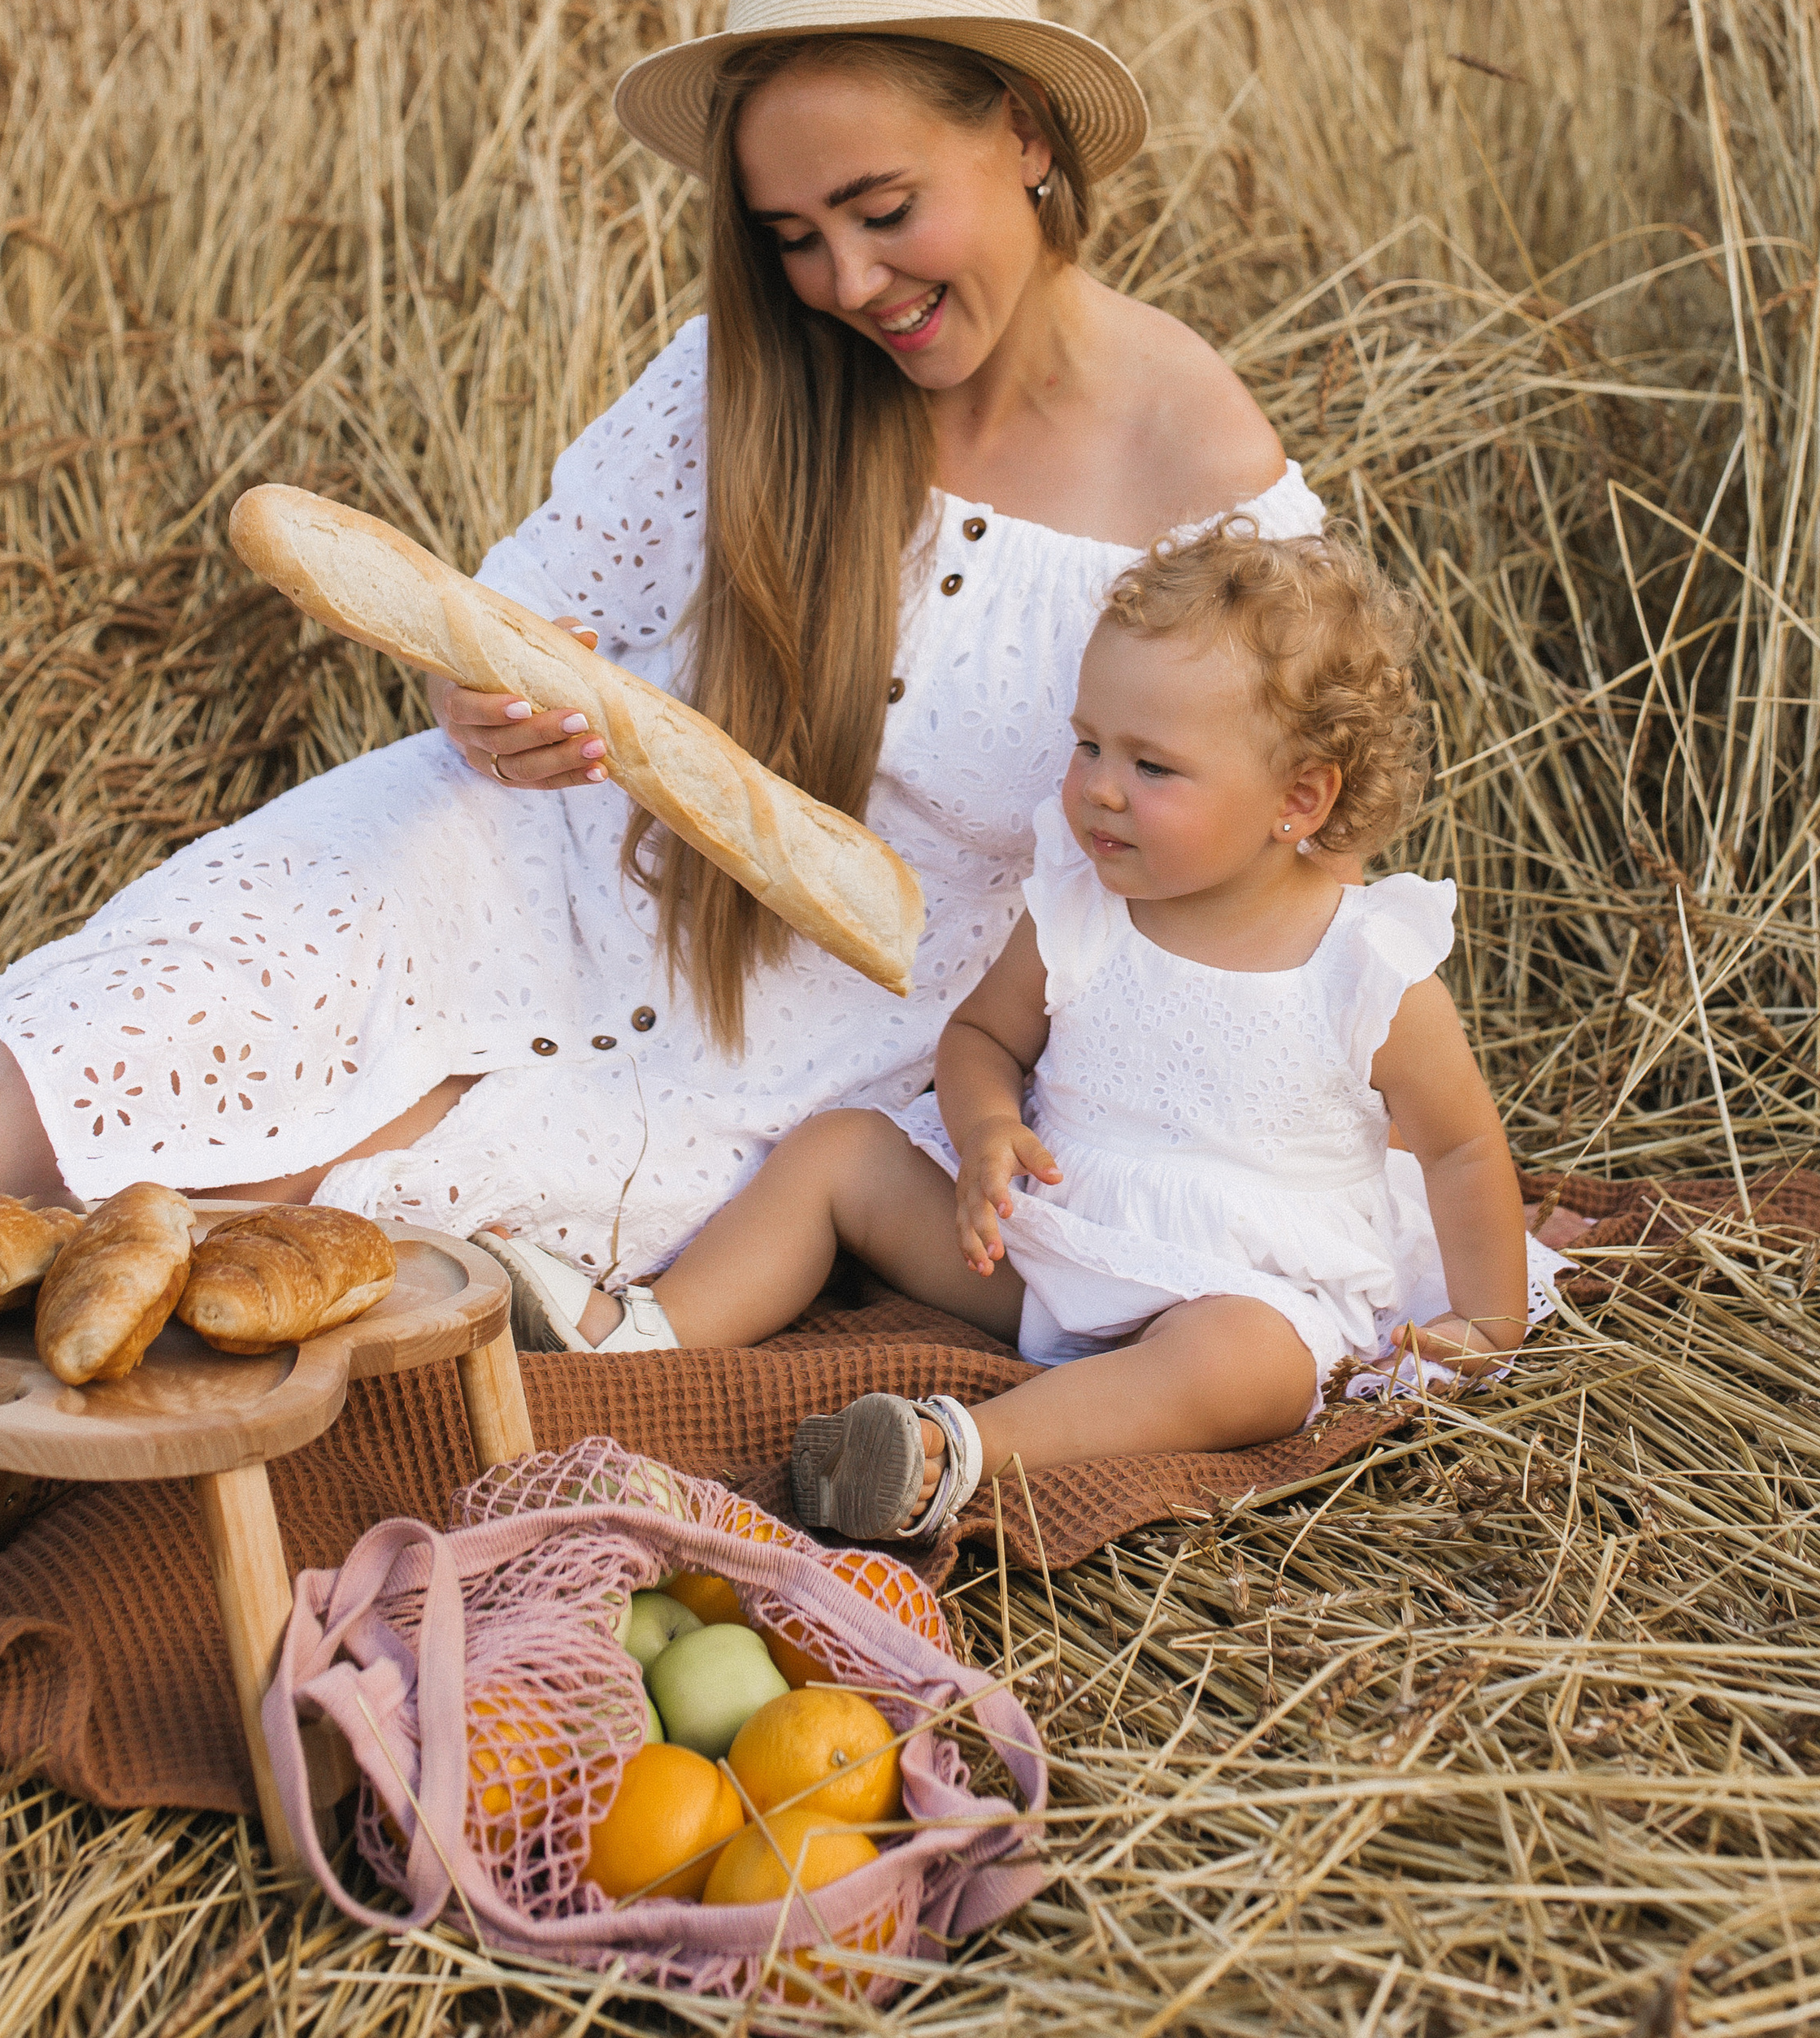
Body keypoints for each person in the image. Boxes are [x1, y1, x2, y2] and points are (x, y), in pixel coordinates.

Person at [0, 0, 1319, 1309]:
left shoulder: (1205, 480)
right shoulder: (740, 377)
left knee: (250, 1246)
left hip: (831, 1037)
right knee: (49, 1080)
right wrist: (476, 706)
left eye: (886, 211)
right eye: (793, 236)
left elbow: (1260, 852)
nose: (847, 283)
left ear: (1025, 134)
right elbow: (513, 617)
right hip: (512, 861)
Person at [582, 520, 1570, 1542]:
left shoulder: (1362, 965)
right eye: (1090, 743)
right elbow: (981, 1039)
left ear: (1298, 798)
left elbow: (1458, 1147)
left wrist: (1486, 1320)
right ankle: (644, 1337)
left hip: (1235, 1281)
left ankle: (951, 1450)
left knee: (1253, 1366)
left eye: (1154, 767)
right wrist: (983, 1134)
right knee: (841, 1151)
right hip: (1042, 1243)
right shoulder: (1084, 906)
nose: (1100, 786)